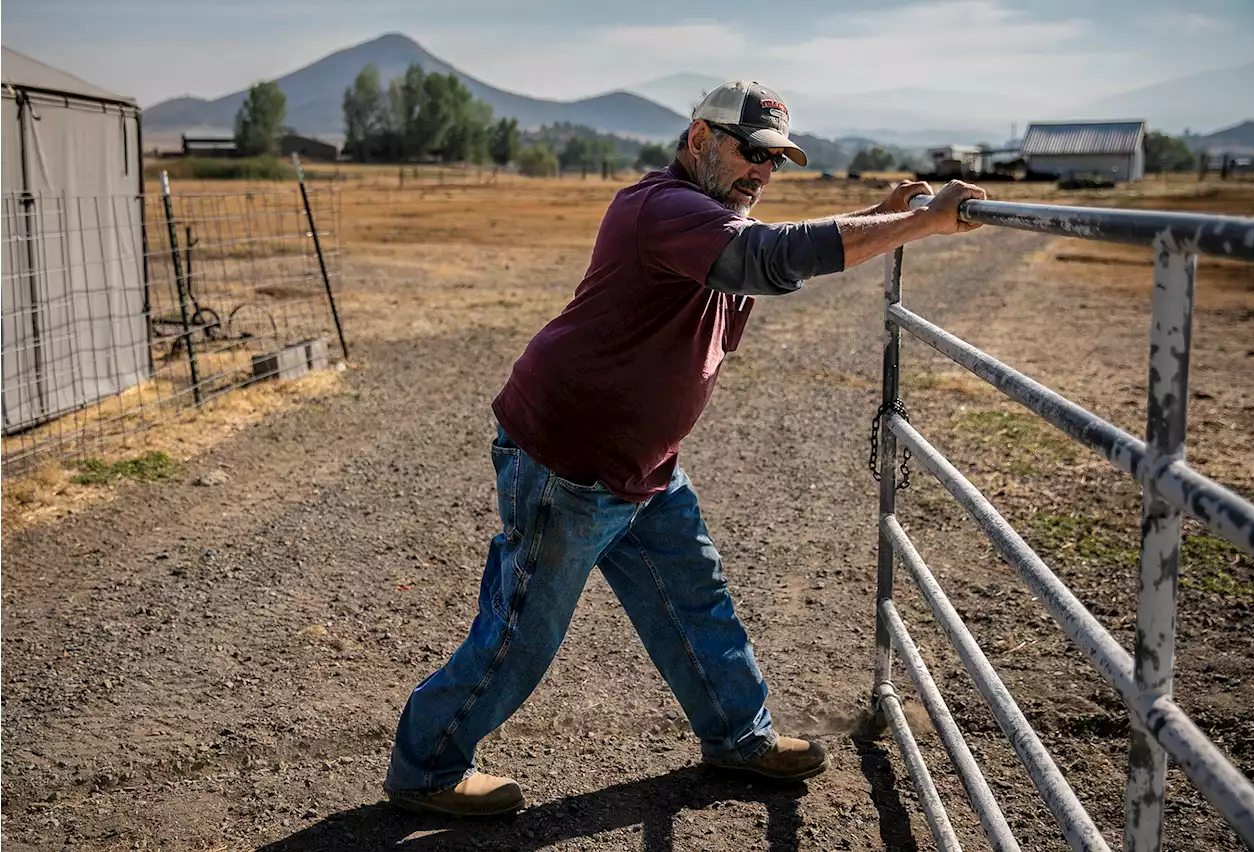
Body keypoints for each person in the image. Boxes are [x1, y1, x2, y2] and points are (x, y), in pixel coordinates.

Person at [383, 80, 987, 817]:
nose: (762, 174)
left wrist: (883, 218)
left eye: (774, 162)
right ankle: (426, 766)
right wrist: (920, 223)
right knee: (524, 634)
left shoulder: (710, 217)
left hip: (642, 466)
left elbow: (768, 250)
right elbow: (769, 256)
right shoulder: (661, 209)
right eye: (749, 153)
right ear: (699, 139)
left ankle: (739, 734)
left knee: (696, 598)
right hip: (568, 459)